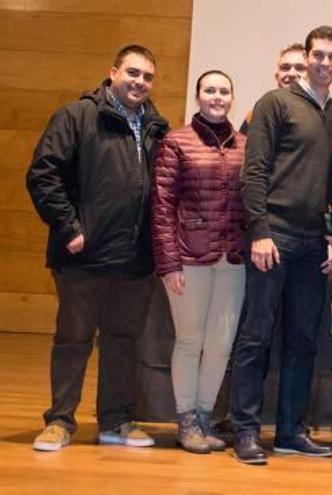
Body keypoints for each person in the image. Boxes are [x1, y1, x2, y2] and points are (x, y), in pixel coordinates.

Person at [27, 45, 169, 451]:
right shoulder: (76, 116)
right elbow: (44, 176)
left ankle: (116, 421)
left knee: (122, 342)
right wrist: (70, 228)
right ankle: (59, 421)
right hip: (82, 257)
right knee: (73, 340)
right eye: (133, 73)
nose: (140, 82)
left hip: (135, 260)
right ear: (113, 72)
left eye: (147, 76)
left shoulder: (157, 126)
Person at [230, 25, 332, 465]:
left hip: (313, 243)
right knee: (256, 336)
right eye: (317, 54)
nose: (323, 62)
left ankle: (290, 431)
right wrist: (258, 230)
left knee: (302, 340)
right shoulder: (274, 103)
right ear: (308, 56)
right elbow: (254, 171)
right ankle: (244, 430)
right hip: (272, 237)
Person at [151, 70, 246, 454]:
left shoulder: (245, 144)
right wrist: (168, 263)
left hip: (233, 258)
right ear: (198, 96)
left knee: (221, 345)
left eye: (224, 91)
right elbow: (161, 207)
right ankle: (186, 417)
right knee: (190, 340)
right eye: (210, 90)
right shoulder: (176, 141)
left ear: (232, 98)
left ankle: (205, 415)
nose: (217, 97)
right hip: (189, 257)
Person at [240, 43, 307, 134]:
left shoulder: (324, 115)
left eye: (300, 68)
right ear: (277, 76)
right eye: (285, 68)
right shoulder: (256, 115)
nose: (291, 74)